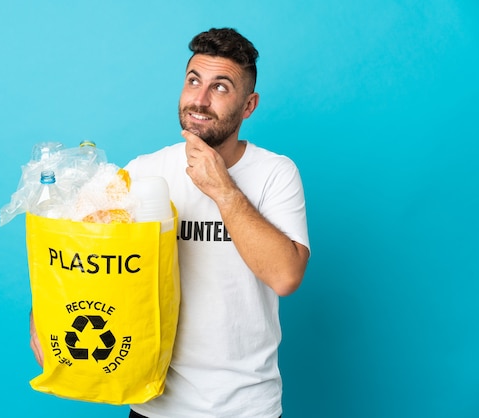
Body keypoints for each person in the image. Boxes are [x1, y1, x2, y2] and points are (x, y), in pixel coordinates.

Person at [30, 27, 310, 418]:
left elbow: (285, 277)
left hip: (246, 407)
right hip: (153, 404)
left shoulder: (275, 173)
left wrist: (223, 189)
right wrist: (45, 315)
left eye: (221, 87)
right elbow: (88, 261)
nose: (200, 99)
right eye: (193, 81)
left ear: (249, 105)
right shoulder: (144, 173)